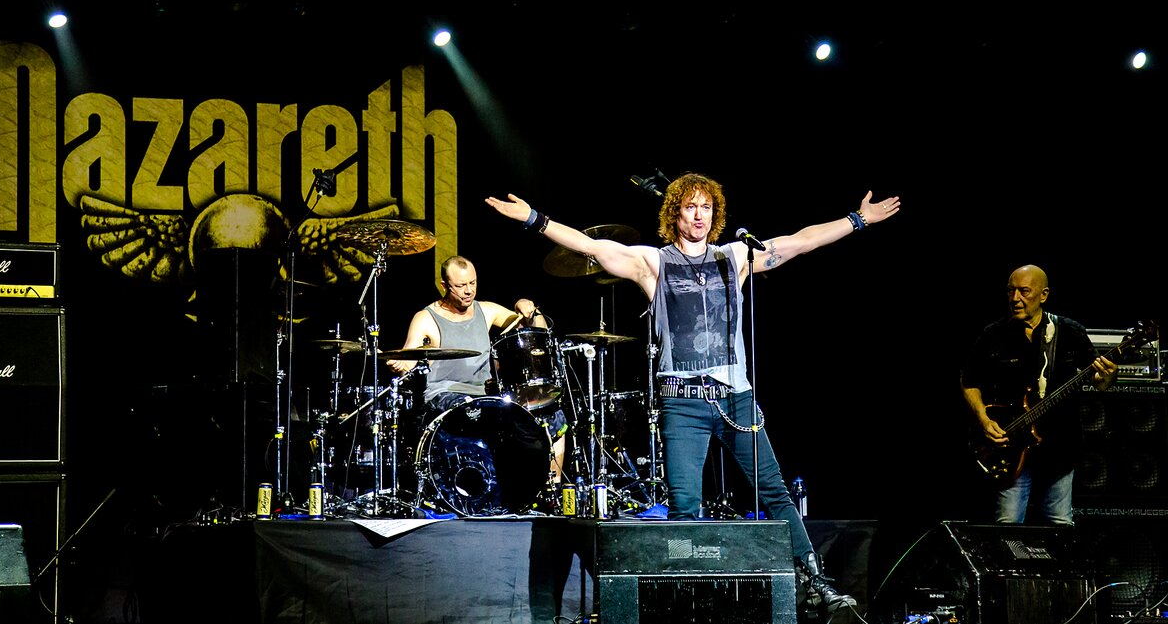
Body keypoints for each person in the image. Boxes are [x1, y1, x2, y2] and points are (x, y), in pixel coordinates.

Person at [486, 172, 900, 613]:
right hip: (682, 402)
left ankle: (816, 585)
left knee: (774, 493)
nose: (699, 215)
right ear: (675, 214)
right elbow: (591, 246)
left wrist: (857, 220)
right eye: (690, 207)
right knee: (685, 504)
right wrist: (533, 218)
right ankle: (684, 598)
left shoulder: (736, 255)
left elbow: (801, 241)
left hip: (736, 397)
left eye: (706, 207)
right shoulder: (653, 262)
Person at [386, 255, 570, 490]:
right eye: (460, 285)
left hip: (486, 395)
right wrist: (399, 364)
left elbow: (537, 332)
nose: (468, 291)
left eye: (472, 283)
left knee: (551, 415)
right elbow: (408, 358)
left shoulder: (487, 310)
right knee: (477, 412)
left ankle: (551, 491)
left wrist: (531, 310)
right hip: (445, 395)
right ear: (444, 285)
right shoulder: (426, 318)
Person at [960, 264, 1117, 525]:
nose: (1015, 298)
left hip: (1059, 448)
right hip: (1010, 447)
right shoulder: (993, 334)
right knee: (1009, 524)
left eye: (1024, 291)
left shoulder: (1069, 332)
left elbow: (1100, 382)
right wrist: (984, 419)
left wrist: (1109, 376)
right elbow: (969, 382)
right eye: (1010, 291)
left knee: (1059, 523)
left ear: (1043, 295)